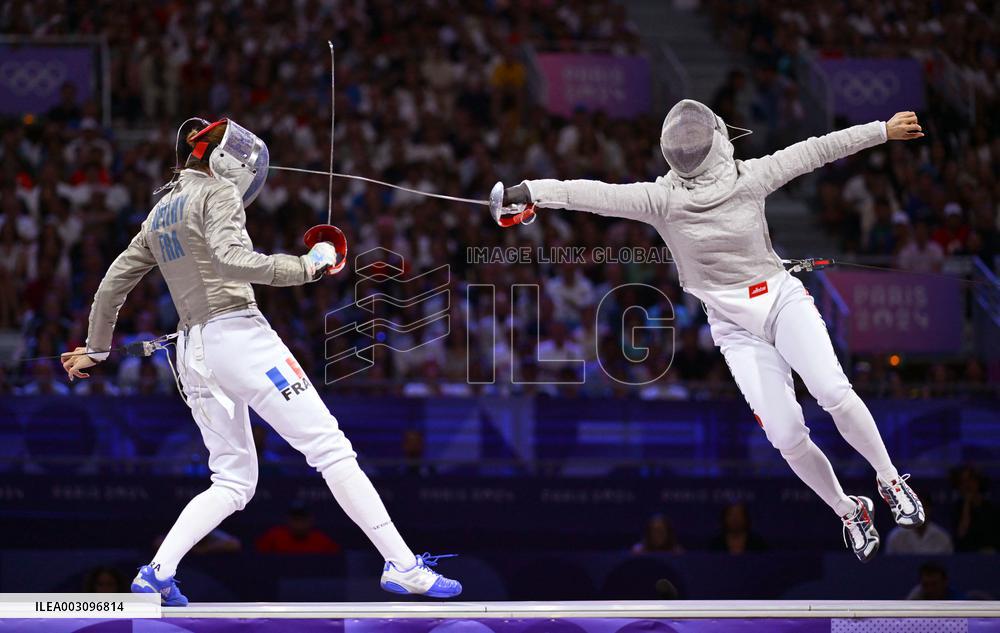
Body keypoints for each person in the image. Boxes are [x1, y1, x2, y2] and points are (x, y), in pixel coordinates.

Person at [497, 100, 926, 562]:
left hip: (780, 301)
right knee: (785, 436)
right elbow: (591, 194)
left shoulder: (744, 179)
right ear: (720, 138)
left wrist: (880, 130)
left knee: (832, 392)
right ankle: (848, 509)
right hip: (734, 329)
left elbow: (818, 149)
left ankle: (889, 478)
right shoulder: (666, 199)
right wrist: (530, 192)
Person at [61, 118, 460, 604]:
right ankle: (403, 566)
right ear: (226, 160)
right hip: (239, 338)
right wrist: (308, 266)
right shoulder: (218, 193)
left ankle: (157, 573)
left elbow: (110, 287)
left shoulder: (160, 212)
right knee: (330, 449)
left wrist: (97, 348)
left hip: (192, 354)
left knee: (232, 479)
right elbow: (231, 260)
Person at [256, 502, 341, 554]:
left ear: (310, 520)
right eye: (295, 519)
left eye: (302, 519)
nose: (299, 523)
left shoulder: (322, 541)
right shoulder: (274, 538)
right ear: (288, 520)